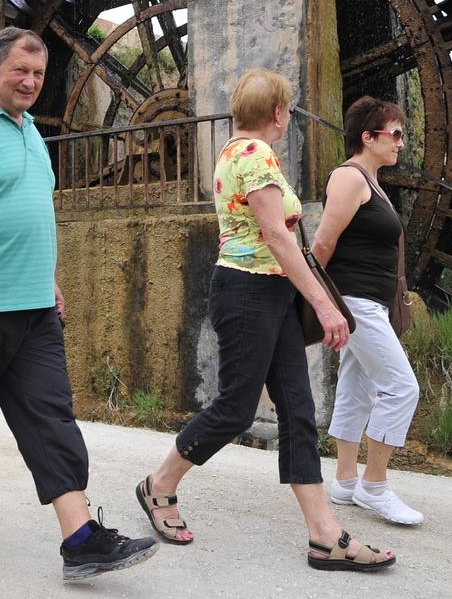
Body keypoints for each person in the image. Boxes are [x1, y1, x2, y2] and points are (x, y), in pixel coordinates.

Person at [0, 26, 158, 581]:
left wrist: (46, 279)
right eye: (19, 70)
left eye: (39, 74)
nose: (30, 82)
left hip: (33, 308)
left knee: (51, 417)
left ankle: (80, 538)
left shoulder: (31, 135)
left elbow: (31, 213)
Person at [134, 69, 396, 572]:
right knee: (235, 408)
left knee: (298, 410)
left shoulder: (237, 153)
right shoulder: (254, 155)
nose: (290, 118)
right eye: (289, 109)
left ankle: (325, 535)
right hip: (248, 292)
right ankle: (159, 484)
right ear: (278, 113)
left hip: (268, 292)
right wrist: (323, 303)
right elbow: (277, 237)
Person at [312, 96, 423, 525]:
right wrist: (316, 300)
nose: (401, 143)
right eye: (394, 134)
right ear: (368, 137)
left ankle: (344, 481)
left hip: (369, 301)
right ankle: (375, 486)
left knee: (356, 388)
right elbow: (322, 243)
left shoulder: (373, 182)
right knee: (401, 387)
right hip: (355, 301)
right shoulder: (349, 178)